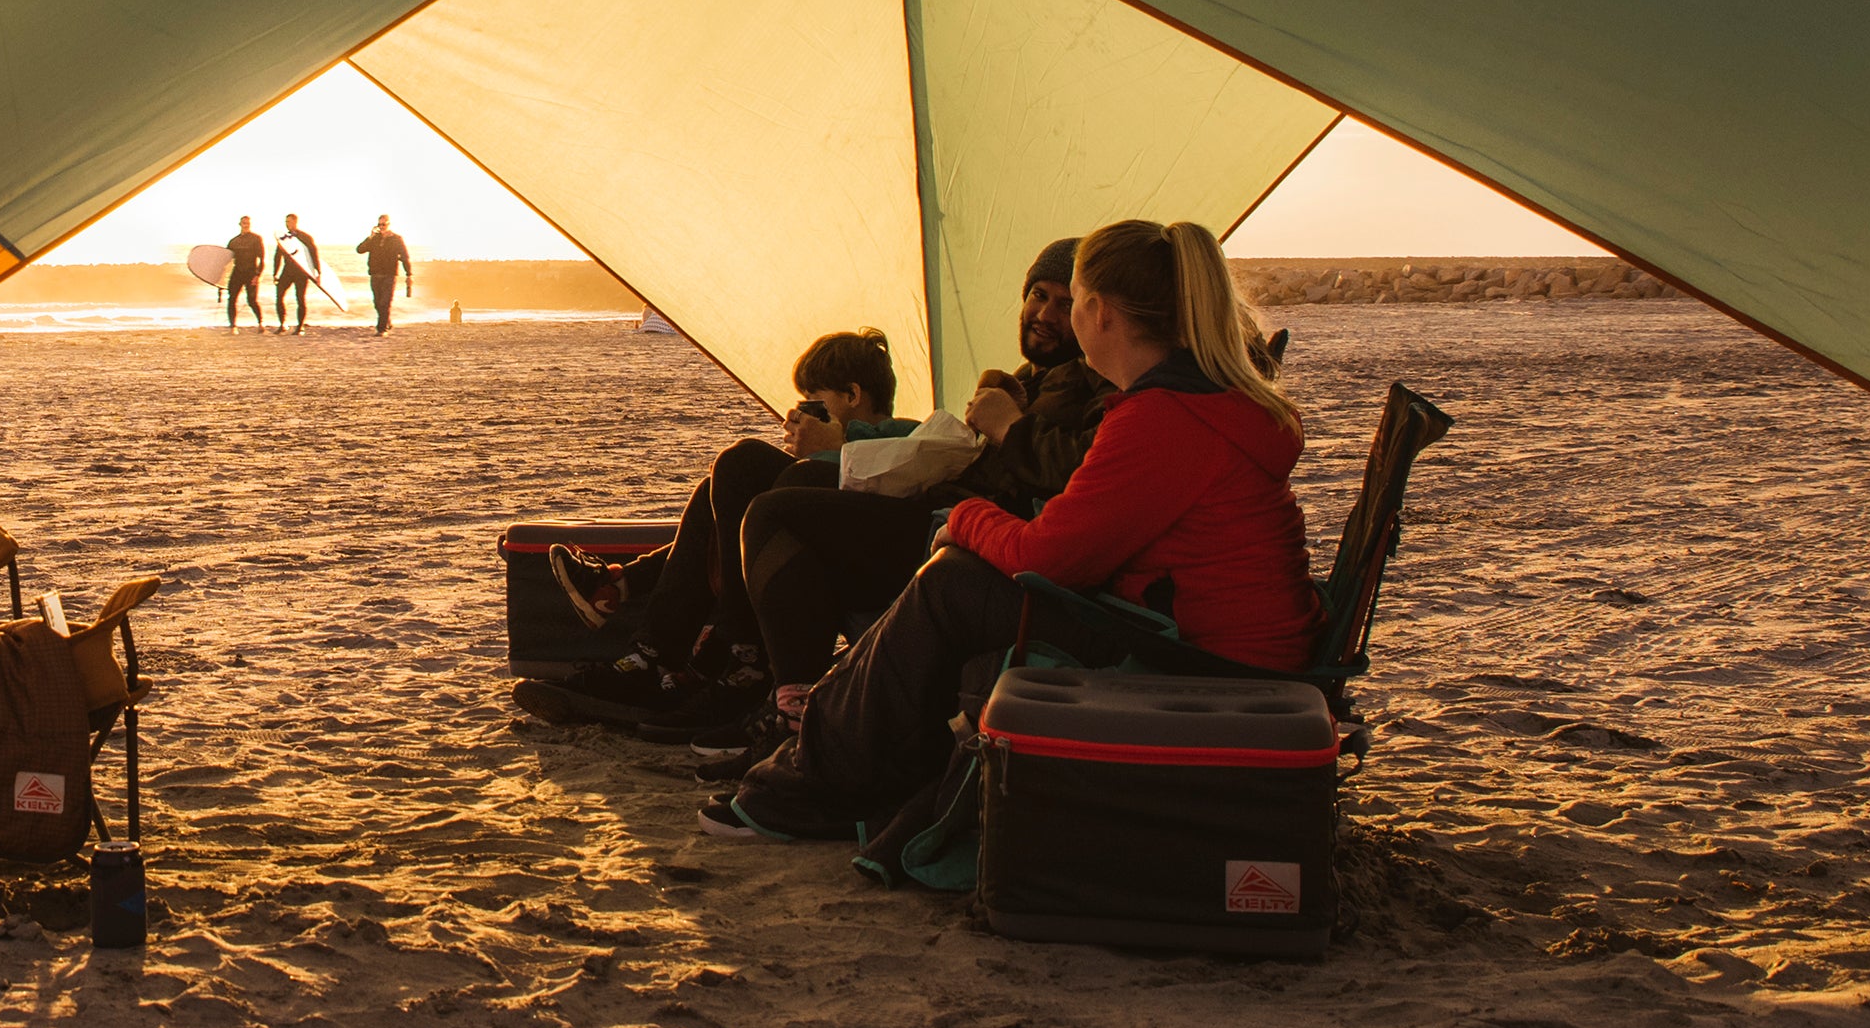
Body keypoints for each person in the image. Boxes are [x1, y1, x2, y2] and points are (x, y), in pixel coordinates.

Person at [707, 219, 1310, 840]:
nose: (1058, 314)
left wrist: (966, 520)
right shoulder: (1206, 401)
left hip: (1197, 657)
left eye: (1070, 299)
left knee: (952, 584)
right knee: (958, 580)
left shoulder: (1165, 419)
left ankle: (817, 781)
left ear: (1098, 313)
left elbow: (1049, 558)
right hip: (1208, 638)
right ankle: (840, 760)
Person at [722, 236, 1112, 763]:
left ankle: (798, 712)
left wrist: (1009, 428)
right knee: (760, 471)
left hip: (964, 536)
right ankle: (743, 671)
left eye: (1065, 304)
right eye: (1038, 296)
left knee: (777, 510)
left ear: (1095, 314)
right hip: (943, 511)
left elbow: (1086, 475)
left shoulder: (1101, 382)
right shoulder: (1030, 379)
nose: (1044, 313)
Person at [522, 328, 913, 736]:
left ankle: (728, 656)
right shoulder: (845, 450)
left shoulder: (910, 436)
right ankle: (650, 652)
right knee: (722, 486)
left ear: (852, 395)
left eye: (814, 402)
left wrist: (834, 448)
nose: (800, 414)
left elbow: (881, 496)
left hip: (858, 563)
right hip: (815, 549)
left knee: (741, 463)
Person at [359, 214, 412, 335]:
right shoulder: (374, 239)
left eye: (384, 224)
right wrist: (370, 237)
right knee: (377, 303)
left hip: (390, 275)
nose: (381, 227)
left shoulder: (397, 239)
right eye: (379, 224)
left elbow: (404, 257)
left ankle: (382, 329)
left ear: (389, 224)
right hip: (375, 274)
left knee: (385, 302)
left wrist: (409, 274)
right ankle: (387, 321)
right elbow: (360, 250)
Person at [273, 214, 323, 333]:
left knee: (300, 298)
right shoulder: (284, 238)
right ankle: (283, 324)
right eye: (286, 221)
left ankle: (300, 326)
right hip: (287, 271)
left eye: (289, 221)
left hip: (301, 272)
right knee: (279, 296)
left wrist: (318, 272)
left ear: (295, 222)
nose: (287, 224)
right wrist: (275, 273)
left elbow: (313, 254)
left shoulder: (305, 237)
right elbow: (277, 256)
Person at [222, 216, 267, 331]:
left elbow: (262, 259)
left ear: (250, 224)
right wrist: (220, 279)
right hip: (237, 272)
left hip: (251, 272)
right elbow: (226, 261)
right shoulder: (233, 241)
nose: (246, 225)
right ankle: (233, 327)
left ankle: (261, 323)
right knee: (232, 299)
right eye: (244, 223)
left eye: (247, 223)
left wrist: (258, 275)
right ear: (240, 224)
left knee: (252, 300)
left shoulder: (256, 239)